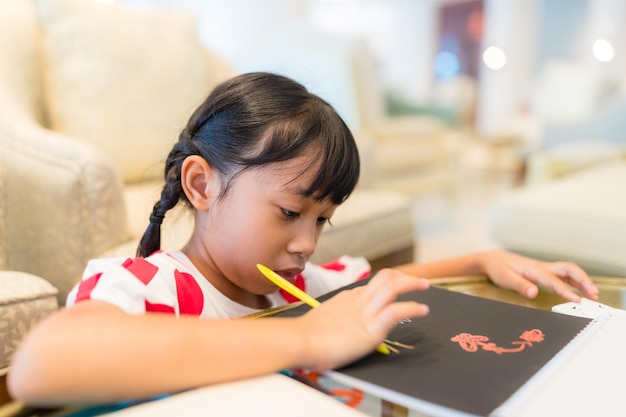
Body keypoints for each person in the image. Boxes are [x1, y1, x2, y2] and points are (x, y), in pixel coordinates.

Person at [8, 72, 599, 406]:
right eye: (289, 211)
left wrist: (484, 258)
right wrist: (310, 337)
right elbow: (41, 365)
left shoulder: (303, 287)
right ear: (201, 185)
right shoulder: (151, 288)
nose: (305, 244)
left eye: (321, 220)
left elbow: (377, 285)